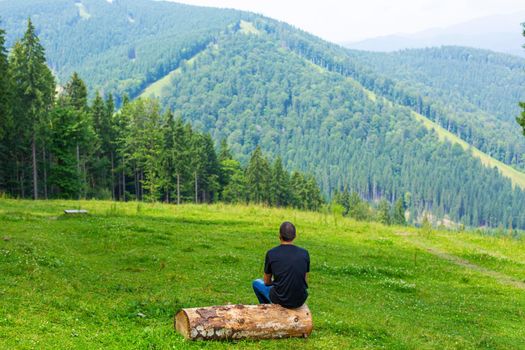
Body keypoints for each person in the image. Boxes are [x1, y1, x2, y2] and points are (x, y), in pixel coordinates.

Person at [252, 221, 310, 309]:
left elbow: (266, 282)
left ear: (279, 236)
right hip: (300, 300)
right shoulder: (304, 253)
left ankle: (268, 310)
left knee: (256, 283)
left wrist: (277, 282)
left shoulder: (271, 253)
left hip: (279, 299)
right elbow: (305, 281)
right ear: (295, 236)